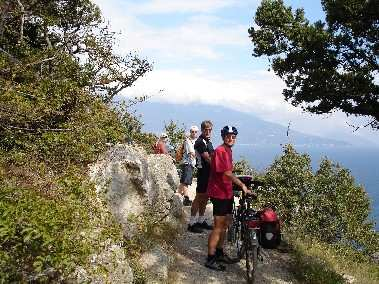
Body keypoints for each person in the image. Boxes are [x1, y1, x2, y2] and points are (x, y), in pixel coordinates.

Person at [205, 126, 253, 271]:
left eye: (233, 136)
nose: (231, 138)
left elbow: (228, 172)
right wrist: (242, 185)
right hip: (219, 193)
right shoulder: (220, 151)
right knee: (218, 226)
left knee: (225, 224)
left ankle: (219, 252)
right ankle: (210, 258)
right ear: (223, 137)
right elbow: (226, 173)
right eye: (228, 136)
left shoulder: (228, 150)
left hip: (226, 192)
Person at [188, 120, 214, 233]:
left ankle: (201, 220)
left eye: (210, 130)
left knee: (205, 197)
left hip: (209, 174)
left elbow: (214, 155)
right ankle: (192, 223)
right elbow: (208, 158)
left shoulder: (208, 141)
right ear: (202, 130)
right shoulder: (200, 142)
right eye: (206, 130)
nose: (208, 132)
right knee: (199, 197)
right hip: (203, 173)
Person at [178, 125, 199, 206]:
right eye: (192, 131)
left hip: (191, 164)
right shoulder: (188, 141)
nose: (194, 133)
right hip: (188, 163)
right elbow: (191, 153)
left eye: (195, 132)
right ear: (190, 132)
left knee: (183, 180)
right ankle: (186, 198)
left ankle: (177, 195)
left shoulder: (196, 140)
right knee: (186, 181)